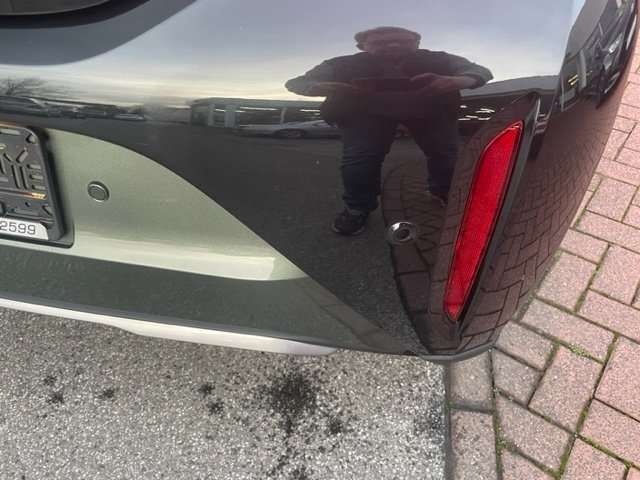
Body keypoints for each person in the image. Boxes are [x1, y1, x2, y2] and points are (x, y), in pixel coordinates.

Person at [285, 26, 492, 235]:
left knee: (446, 154)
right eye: (381, 43)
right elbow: (297, 82)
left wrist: (459, 80)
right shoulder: (340, 63)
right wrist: (316, 87)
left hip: (430, 111)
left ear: (417, 44)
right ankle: (358, 208)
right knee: (359, 160)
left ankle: (443, 191)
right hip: (364, 113)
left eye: (404, 41)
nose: (393, 45)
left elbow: (481, 71)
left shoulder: (440, 58)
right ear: (362, 46)